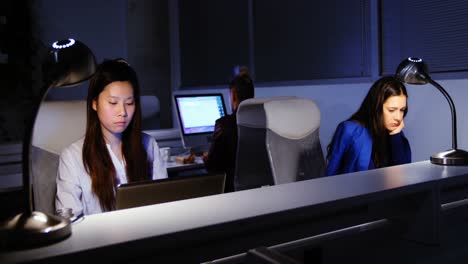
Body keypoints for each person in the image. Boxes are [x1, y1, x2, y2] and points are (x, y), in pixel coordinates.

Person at [56, 59, 167, 216]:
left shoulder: (149, 145)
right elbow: (70, 220)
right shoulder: (73, 157)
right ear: (95, 103)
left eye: (129, 103)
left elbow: (164, 203)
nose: (122, 112)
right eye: (113, 103)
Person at [326, 76, 411, 176]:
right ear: (376, 107)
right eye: (391, 110)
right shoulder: (350, 130)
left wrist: (395, 137)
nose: (398, 117)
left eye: (402, 110)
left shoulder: (395, 132)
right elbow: (331, 173)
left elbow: (401, 176)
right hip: (355, 190)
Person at [202, 72, 255, 192]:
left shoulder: (224, 124)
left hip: (232, 191)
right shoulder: (262, 120)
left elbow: (212, 166)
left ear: (233, 95)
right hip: (258, 189)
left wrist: (206, 157)